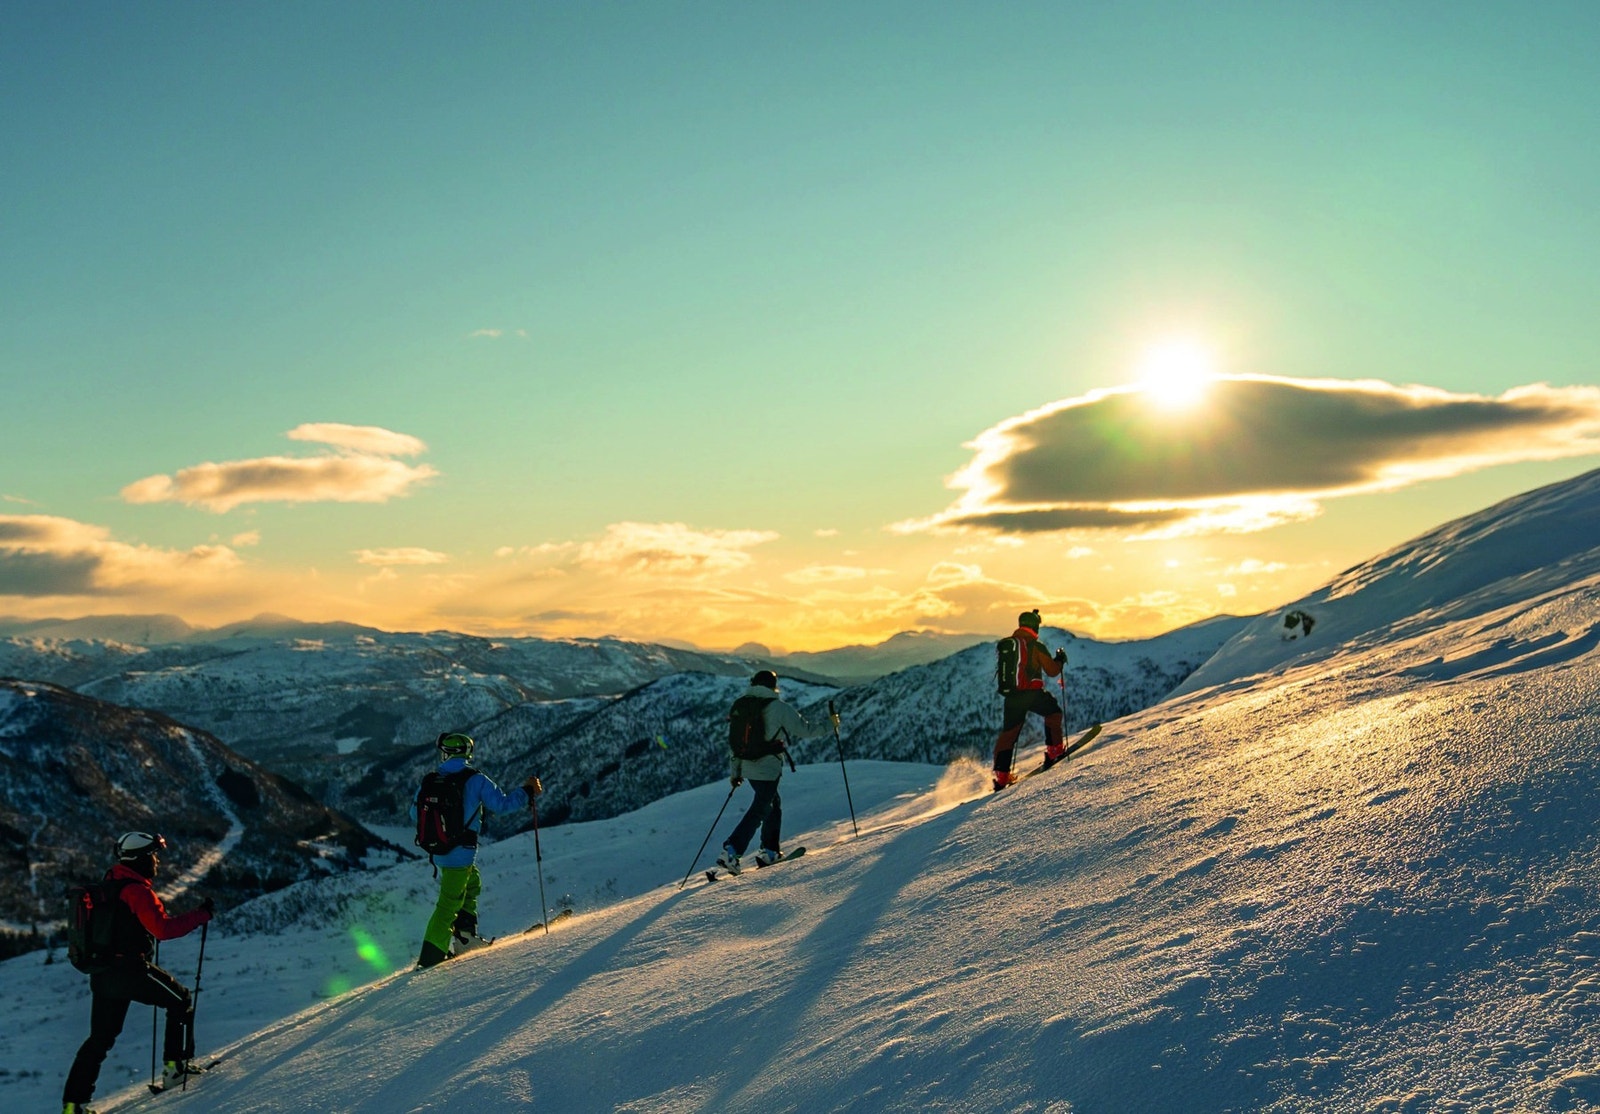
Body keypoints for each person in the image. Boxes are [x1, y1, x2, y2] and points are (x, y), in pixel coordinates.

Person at [62, 831, 214, 1114]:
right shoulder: (137, 891)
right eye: (153, 855)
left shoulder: (109, 885)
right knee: (180, 1000)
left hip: (103, 973)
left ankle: (74, 1105)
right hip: (130, 971)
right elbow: (163, 930)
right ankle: (175, 1069)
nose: (156, 860)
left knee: (100, 1039)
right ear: (141, 859)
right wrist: (200, 915)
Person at [412, 732, 542, 968]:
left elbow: (414, 814)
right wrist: (527, 791)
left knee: (472, 884)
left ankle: (465, 938)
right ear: (467, 753)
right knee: (449, 903)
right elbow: (502, 805)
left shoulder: (430, 780)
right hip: (461, 850)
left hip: (440, 851)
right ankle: (430, 958)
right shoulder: (476, 779)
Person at [715, 670, 840, 875]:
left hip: (746, 766)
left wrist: (735, 772)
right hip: (767, 767)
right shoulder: (778, 707)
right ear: (773, 686)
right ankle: (732, 851)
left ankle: (770, 851)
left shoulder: (741, 705)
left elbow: (734, 742)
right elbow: (805, 730)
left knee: (772, 803)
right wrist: (830, 725)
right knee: (761, 808)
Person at [992, 609, 1069, 791]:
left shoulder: (1010, 645)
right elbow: (1051, 671)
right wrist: (1060, 659)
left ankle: (1002, 776)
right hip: (1031, 694)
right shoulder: (1035, 645)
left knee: (1009, 734)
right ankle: (1054, 749)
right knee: (1053, 713)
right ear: (1034, 626)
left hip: (1012, 696)